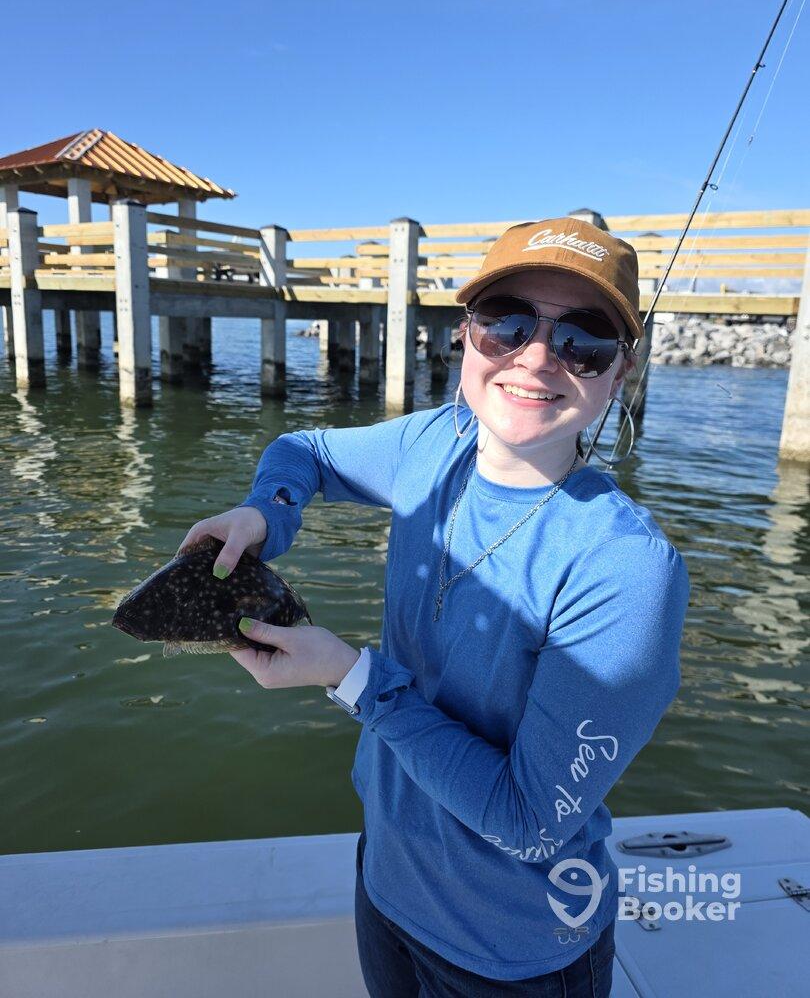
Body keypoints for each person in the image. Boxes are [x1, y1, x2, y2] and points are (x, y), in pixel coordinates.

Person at [178, 215, 690, 997]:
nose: (537, 357)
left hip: (515, 948)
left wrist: (350, 676)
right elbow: (304, 453)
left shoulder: (625, 568)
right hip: (386, 884)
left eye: (583, 341)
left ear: (620, 375)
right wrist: (265, 515)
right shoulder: (433, 444)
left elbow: (531, 820)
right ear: (466, 338)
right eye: (508, 324)